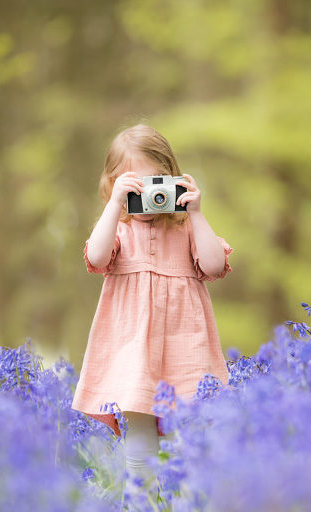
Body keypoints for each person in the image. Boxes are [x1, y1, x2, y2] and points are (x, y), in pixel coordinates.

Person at [71, 124, 233, 502]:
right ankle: (142, 503)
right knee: (139, 441)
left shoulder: (185, 227)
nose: (148, 196)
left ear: (172, 180)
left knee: (189, 438)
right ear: (114, 185)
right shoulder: (119, 230)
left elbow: (212, 265)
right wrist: (115, 206)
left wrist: (195, 213)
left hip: (185, 346)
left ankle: (189, 503)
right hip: (133, 351)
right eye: (135, 187)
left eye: (155, 183)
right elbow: (95, 257)